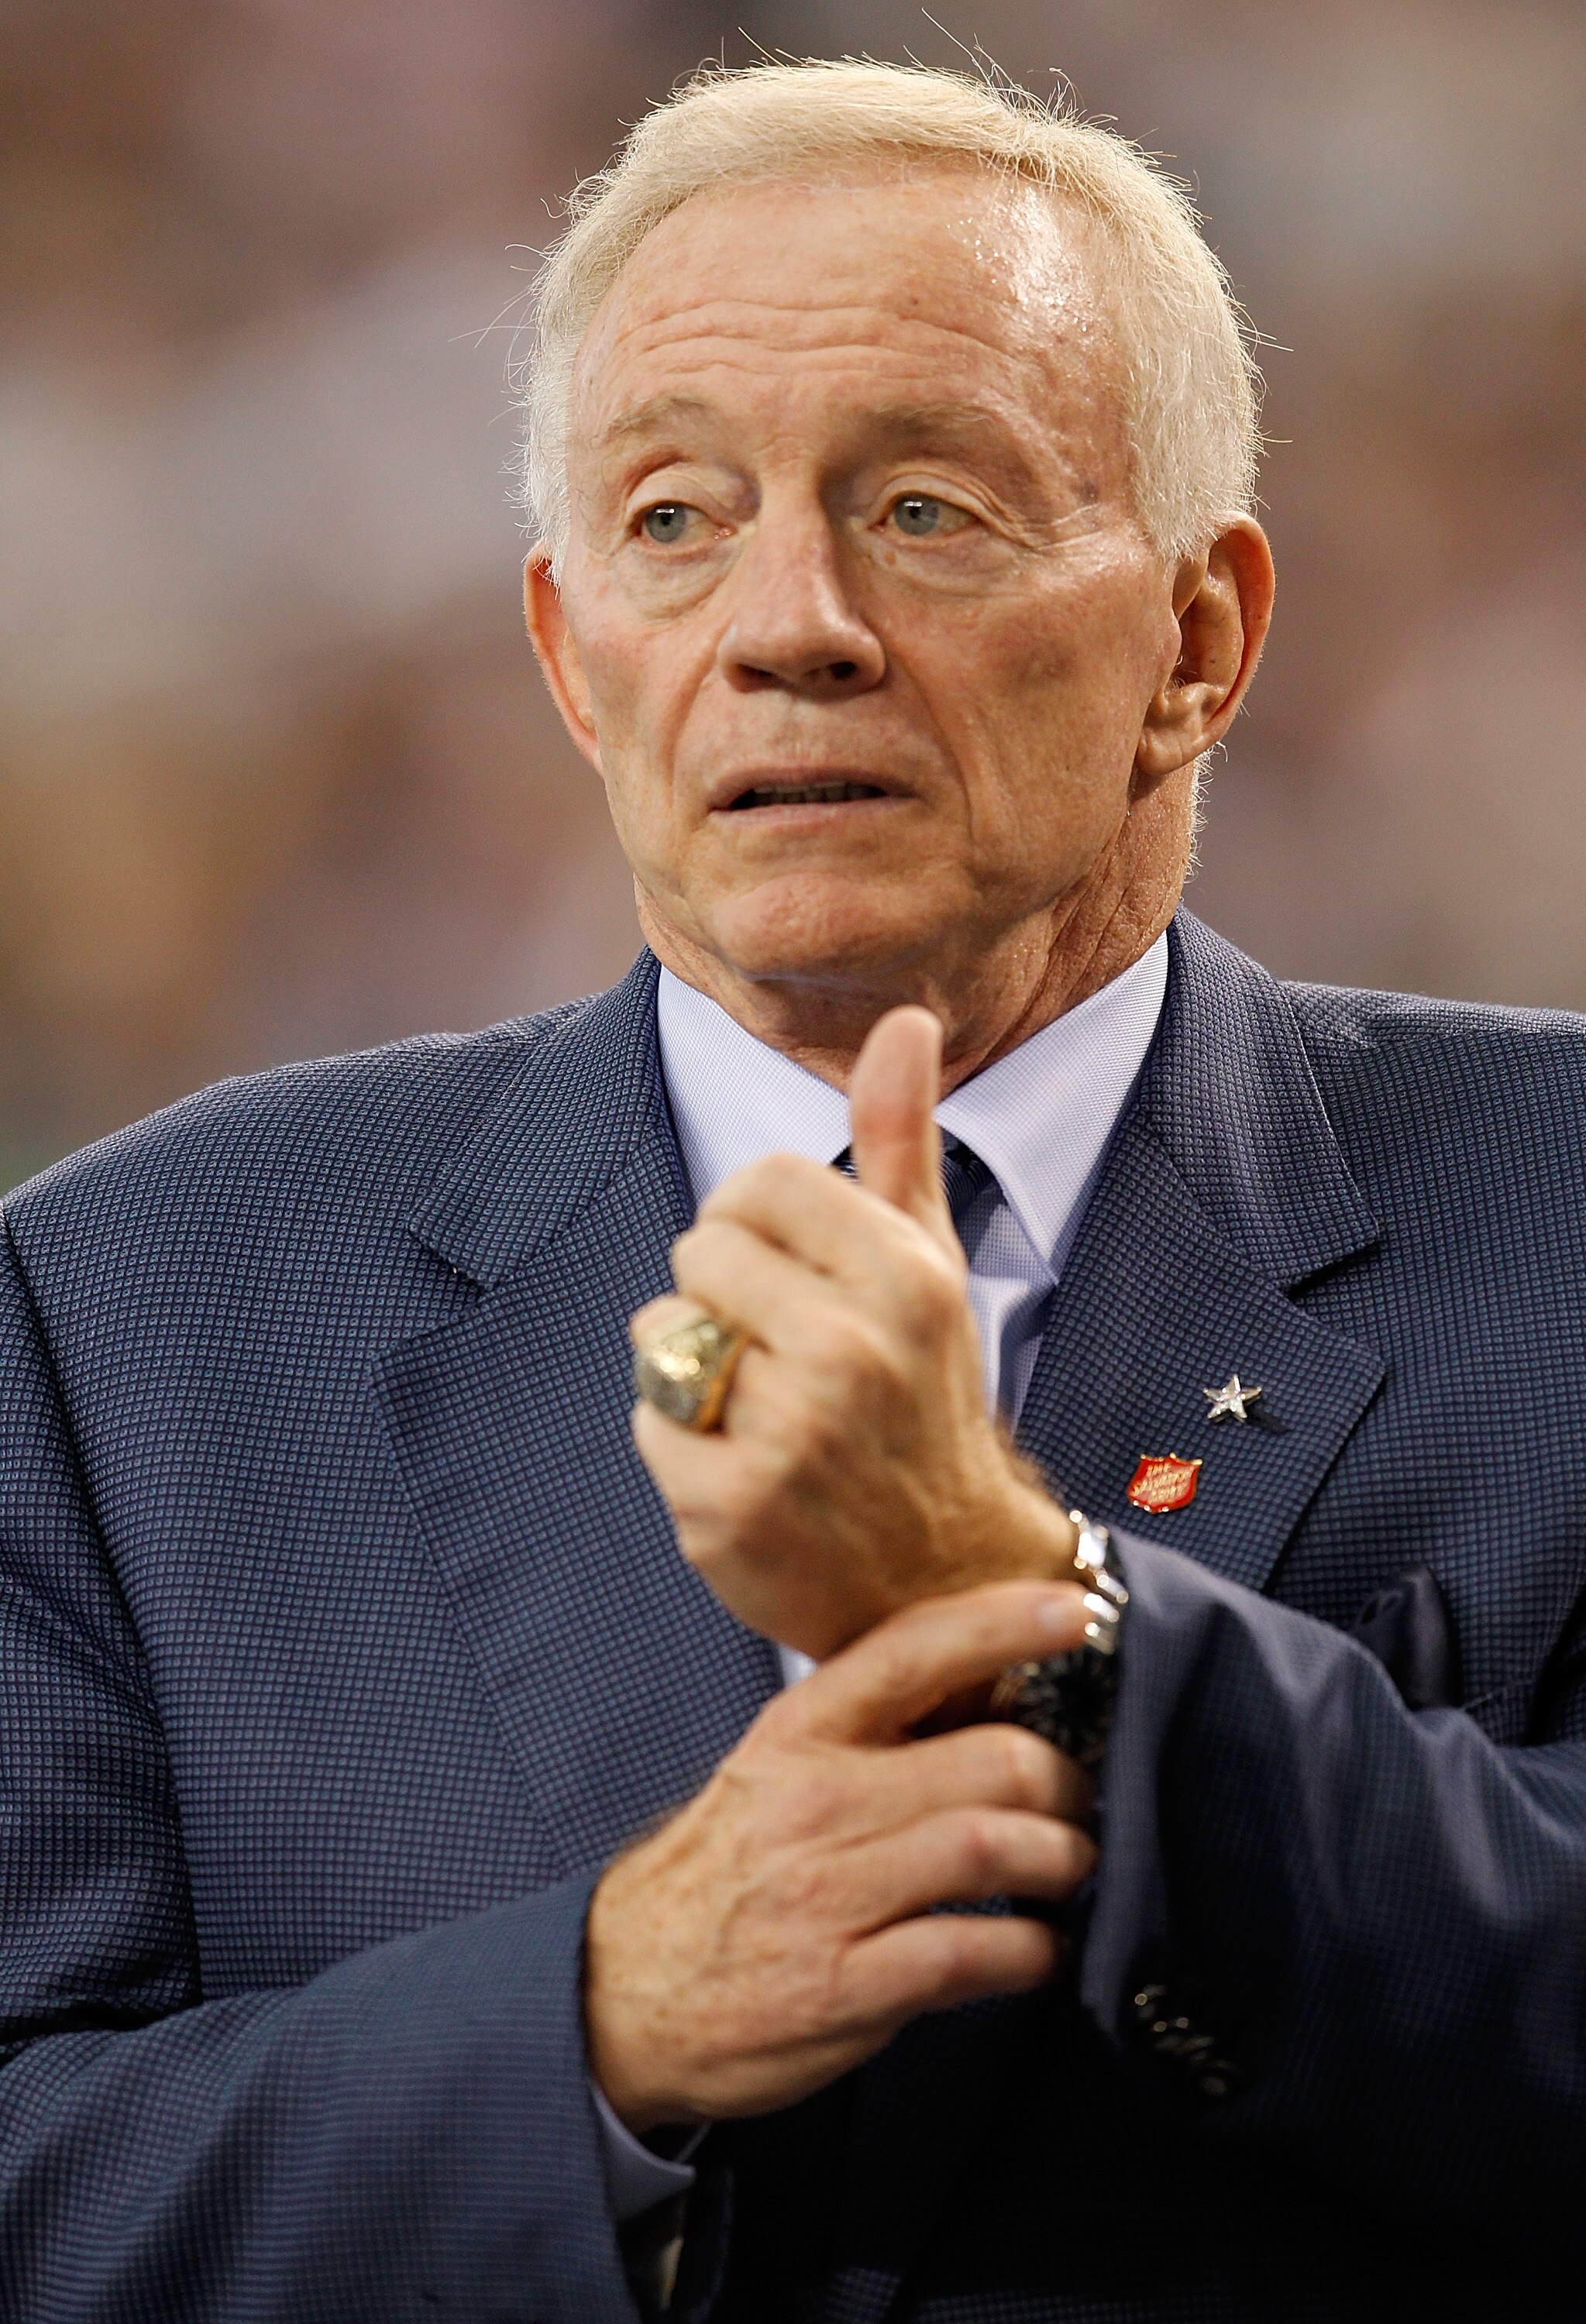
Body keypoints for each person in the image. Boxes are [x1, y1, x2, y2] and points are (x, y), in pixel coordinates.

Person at [2, 56, 1584, 2324]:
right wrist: (590, 2030)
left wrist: (1054, 1637)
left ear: (1201, 642)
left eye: (927, 506)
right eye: (674, 519)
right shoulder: (124, 1313)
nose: (792, 620)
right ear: (570, 658)